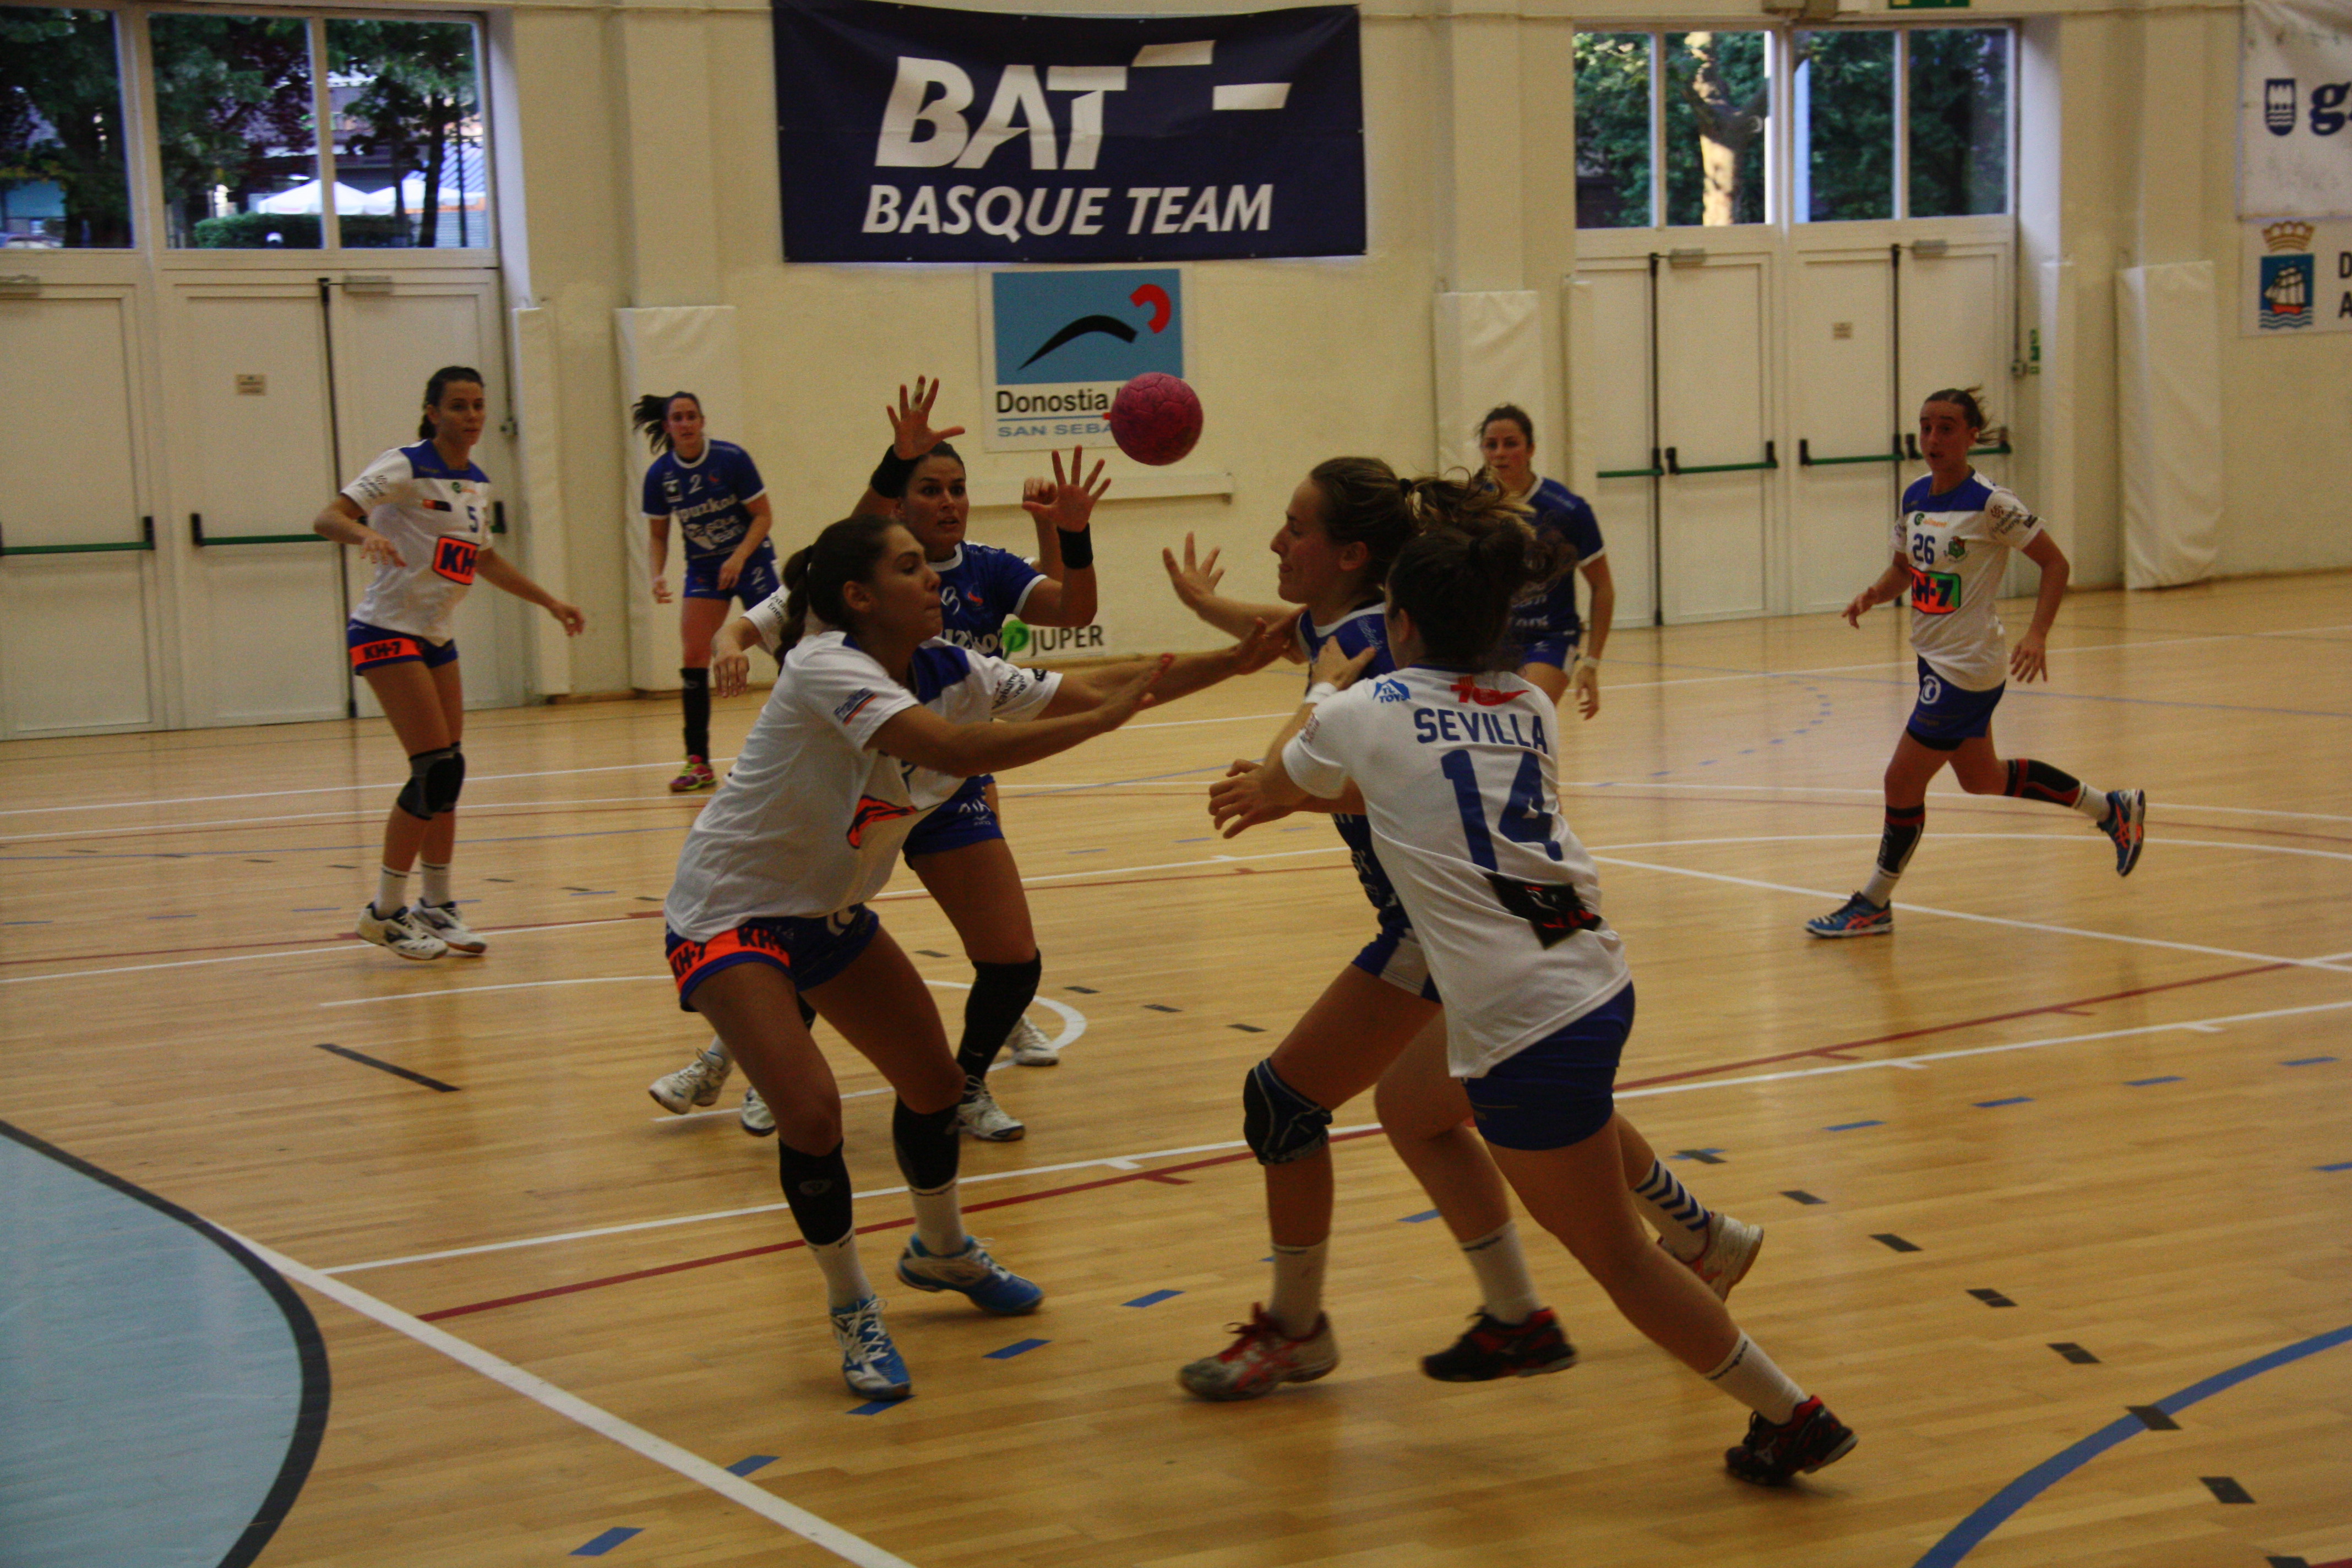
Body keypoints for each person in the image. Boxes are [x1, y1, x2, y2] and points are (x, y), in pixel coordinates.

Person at [1213, 510, 1857, 1486]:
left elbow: (1281, 776)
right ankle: (1682, 1241)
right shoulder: (1526, 701)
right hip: (1589, 973)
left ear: (1403, 623)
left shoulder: (1359, 707)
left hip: (1520, 1016)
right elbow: (1405, 785)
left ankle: (1789, 1411)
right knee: (1415, 1107)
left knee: (1617, 1258)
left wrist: (1321, 695)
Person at [1161, 463, 1758, 1402]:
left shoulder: (1366, 650)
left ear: (1352, 558)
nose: (1276, 543)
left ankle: (1296, 1330)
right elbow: (1288, 641)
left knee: (1284, 1103)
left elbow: (1401, 762)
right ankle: (1592, 1281)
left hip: (1435, 927)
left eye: (1291, 528)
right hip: (1490, 921)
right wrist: (1206, 606)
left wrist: (1291, 792)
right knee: (1437, 1105)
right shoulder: (1355, 625)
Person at [661, 513, 1287, 1400]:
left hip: (828, 911)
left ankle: (943, 1251)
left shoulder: (955, 668)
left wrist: (1231, 662)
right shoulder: (825, 666)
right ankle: (852, 1310)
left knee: (936, 1088)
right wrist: (1104, 723)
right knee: (810, 1113)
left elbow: (1094, 682)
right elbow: (954, 750)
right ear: (859, 597)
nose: (934, 581)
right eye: (913, 568)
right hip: (730, 912)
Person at [651, 380, 1102, 1141]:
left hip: (949, 783)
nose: (949, 502)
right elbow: (764, 616)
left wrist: (1068, 534)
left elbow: (1074, 610)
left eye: (959, 488)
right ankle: (751, 1061)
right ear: (900, 506)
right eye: (930, 488)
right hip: (872, 777)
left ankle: (969, 1076)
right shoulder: (853, 584)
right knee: (809, 919)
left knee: (1010, 952)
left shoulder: (987, 570)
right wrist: (729, 645)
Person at [1806, 388, 2144, 938]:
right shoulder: (1915, 495)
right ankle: (2112, 809)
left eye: (1946, 428)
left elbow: (2055, 564)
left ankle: (1874, 902)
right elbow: (1903, 568)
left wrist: (2038, 634)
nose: (1933, 439)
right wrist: (1873, 593)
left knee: (1900, 781)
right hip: (1933, 659)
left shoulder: (1992, 504)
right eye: (1926, 427)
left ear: (1971, 436)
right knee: (1983, 778)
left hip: (1965, 669)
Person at [314, 366, 585, 962]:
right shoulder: (404, 465)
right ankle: (384, 912)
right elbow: (328, 516)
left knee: (450, 771)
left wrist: (550, 601)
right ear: (433, 412)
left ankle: (436, 903)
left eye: (479, 405)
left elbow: (483, 561)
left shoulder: (476, 483)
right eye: (458, 406)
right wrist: (365, 538)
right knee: (431, 768)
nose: (471, 416)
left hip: (436, 634)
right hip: (386, 629)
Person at [634, 391, 778, 793]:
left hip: (751, 561)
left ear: (701, 421)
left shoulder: (731, 459)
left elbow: (763, 516)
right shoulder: (660, 475)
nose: (685, 423)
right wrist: (657, 575)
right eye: (677, 418)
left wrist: (738, 558)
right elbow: (659, 536)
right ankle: (697, 762)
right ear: (667, 427)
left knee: (789, 646)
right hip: (703, 569)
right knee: (694, 655)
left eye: (691, 416)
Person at [1476, 404, 1614, 717]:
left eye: (1511, 444)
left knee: (1522, 716)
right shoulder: (1473, 506)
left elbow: (1602, 586)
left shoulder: (1568, 510)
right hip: (1488, 638)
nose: (1500, 453)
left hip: (1548, 637)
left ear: (1531, 449)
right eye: (1491, 445)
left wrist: (1591, 663)